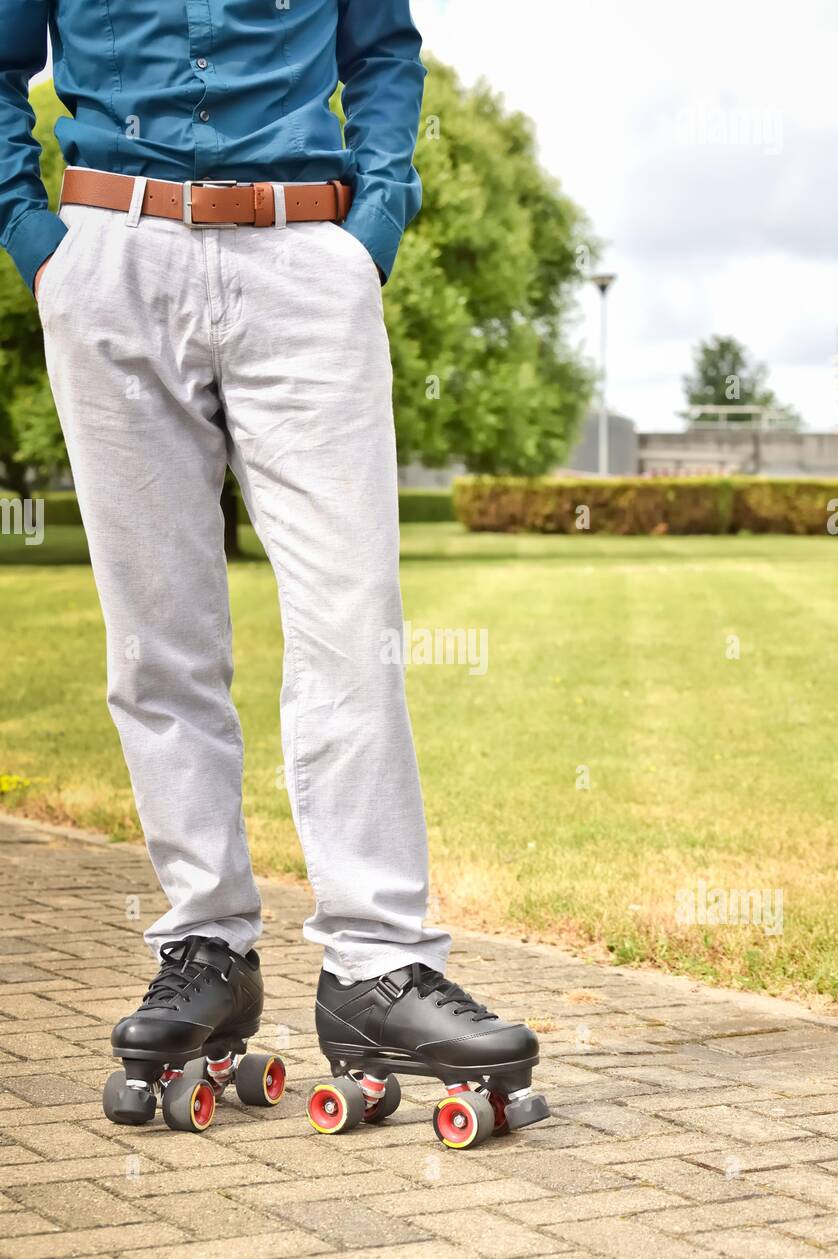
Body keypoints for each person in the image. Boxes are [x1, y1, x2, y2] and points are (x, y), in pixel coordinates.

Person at [0, 1, 546, 1144]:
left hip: (305, 259)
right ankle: (207, 949)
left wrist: (375, 224)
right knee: (158, 640)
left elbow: (383, 52)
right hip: (111, 256)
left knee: (353, 624)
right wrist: (34, 238)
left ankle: (379, 966)